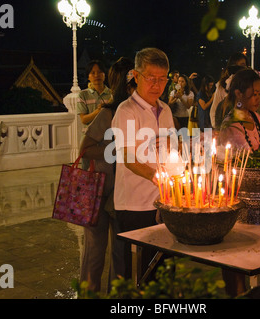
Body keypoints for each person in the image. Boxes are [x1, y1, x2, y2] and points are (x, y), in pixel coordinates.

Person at [111, 48, 175, 280]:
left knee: (164, 269)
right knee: (139, 272)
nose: (157, 85)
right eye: (151, 78)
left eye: (162, 79)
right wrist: (155, 176)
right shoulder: (126, 111)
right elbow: (127, 158)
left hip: (164, 201)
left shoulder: (166, 110)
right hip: (135, 204)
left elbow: (172, 150)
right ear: (136, 76)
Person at [79, 57, 136, 292]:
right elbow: (85, 149)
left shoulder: (137, 115)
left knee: (121, 252)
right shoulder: (108, 113)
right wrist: (114, 149)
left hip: (121, 192)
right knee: (94, 250)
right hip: (98, 191)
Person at [218, 68, 260, 152]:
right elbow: (246, 156)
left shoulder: (255, 116)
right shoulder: (231, 125)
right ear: (239, 94)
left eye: (259, 94)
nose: (258, 99)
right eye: (254, 94)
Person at [77, 60, 112, 168]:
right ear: (88, 76)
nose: (97, 75)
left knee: (105, 169)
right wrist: (98, 112)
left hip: (107, 138)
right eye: (92, 73)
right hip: (88, 138)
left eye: (100, 72)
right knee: (86, 171)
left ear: (104, 75)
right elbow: (83, 119)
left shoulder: (111, 94)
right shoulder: (83, 95)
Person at [210, 53, 248, 128]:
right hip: (227, 130)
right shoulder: (222, 86)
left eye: (242, 65)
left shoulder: (249, 86)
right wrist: (219, 129)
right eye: (235, 66)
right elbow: (214, 110)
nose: (239, 68)